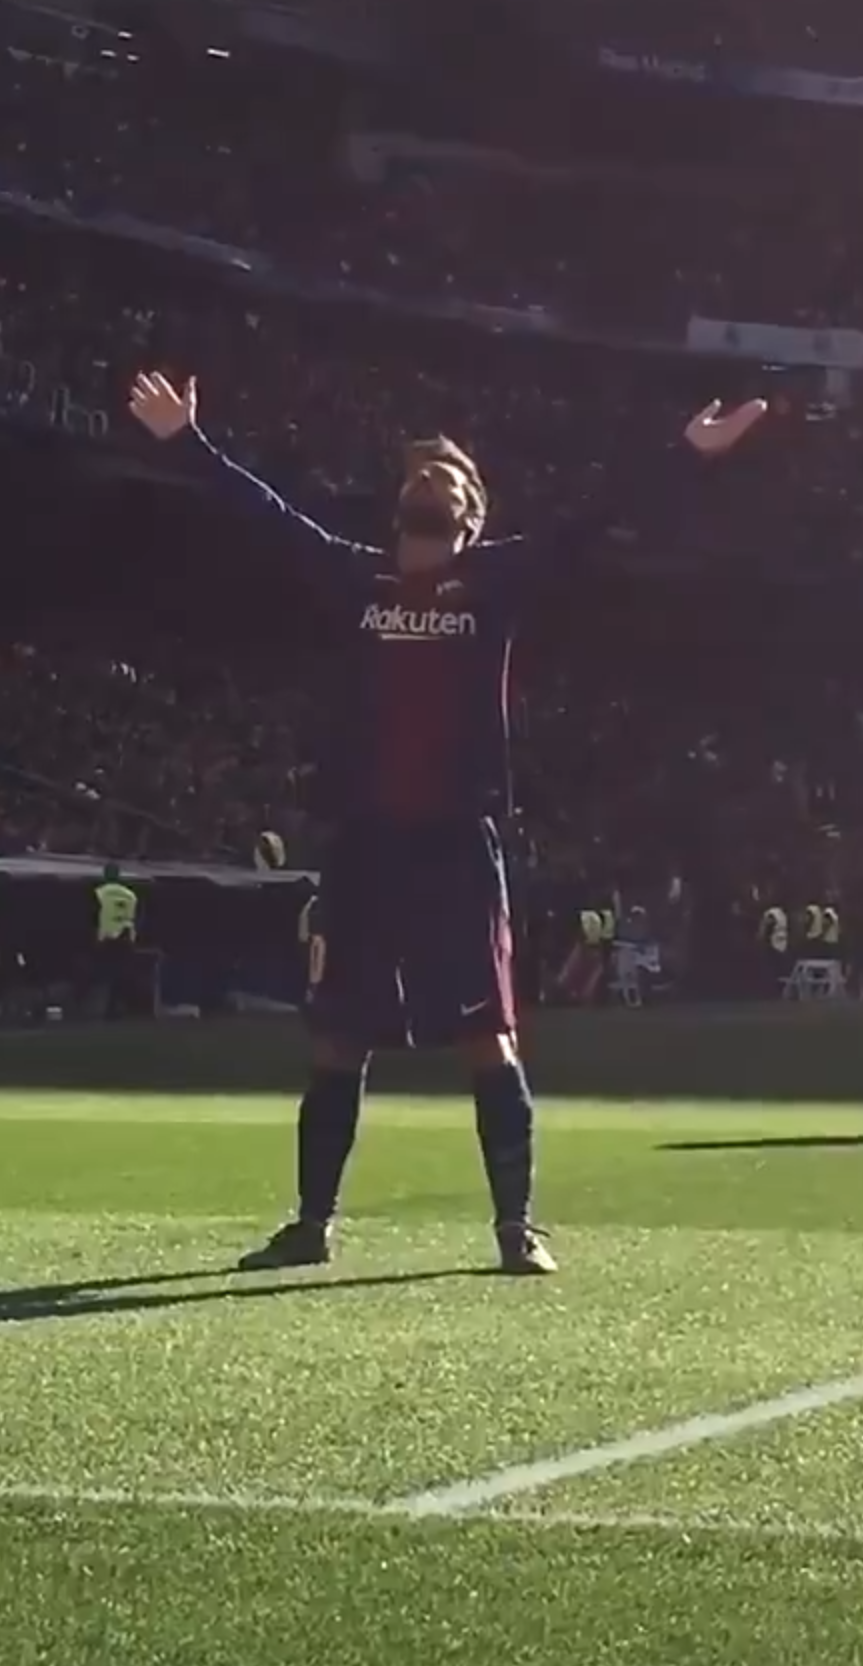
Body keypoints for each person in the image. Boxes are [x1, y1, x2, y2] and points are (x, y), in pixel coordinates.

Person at [130, 368, 767, 1274]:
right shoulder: (359, 580)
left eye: (452, 491)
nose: (436, 495)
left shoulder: (494, 582)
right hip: (366, 844)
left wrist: (685, 458)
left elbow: (590, 528)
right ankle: (312, 1223)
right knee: (339, 1040)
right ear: (400, 511)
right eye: (424, 487)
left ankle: (516, 1228)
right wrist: (187, 445)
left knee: (486, 1037)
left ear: (470, 524)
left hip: (453, 845)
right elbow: (267, 518)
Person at [92, 863, 140, 1020]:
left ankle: (104, 1010)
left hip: (106, 938)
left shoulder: (99, 893)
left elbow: (93, 915)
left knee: (106, 976)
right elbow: (136, 917)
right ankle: (118, 1008)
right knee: (122, 977)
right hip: (126, 939)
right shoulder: (130, 895)